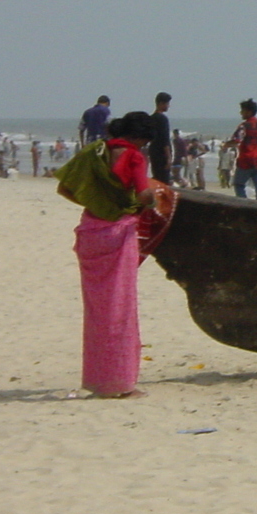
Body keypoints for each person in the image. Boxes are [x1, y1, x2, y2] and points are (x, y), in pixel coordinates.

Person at [55, 110, 161, 397]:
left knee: (97, 310)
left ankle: (96, 379)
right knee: (119, 308)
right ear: (140, 138)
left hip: (89, 230)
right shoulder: (135, 156)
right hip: (117, 234)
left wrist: (99, 204)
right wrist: (152, 202)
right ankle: (118, 384)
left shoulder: (95, 152)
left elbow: (65, 188)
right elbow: (143, 194)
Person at [228, 99, 257, 199]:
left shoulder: (244, 126)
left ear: (249, 112)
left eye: (243, 110)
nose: (241, 113)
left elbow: (237, 140)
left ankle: (244, 203)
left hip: (246, 160)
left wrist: (225, 145)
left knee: (239, 184)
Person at [147, 92, 173, 183]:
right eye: (167, 104)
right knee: (164, 180)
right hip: (162, 153)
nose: (168, 106)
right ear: (161, 104)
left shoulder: (151, 118)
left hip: (153, 151)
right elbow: (164, 139)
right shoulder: (162, 119)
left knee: (157, 177)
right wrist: (169, 157)